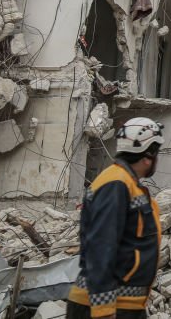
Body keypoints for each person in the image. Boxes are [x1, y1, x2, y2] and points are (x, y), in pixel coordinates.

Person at [67, 118, 164, 319]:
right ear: (149, 155)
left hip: (126, 307)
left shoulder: (126, 183)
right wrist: (103, 310)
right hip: (103, 308)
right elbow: (101, 246)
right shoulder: (116, 184)